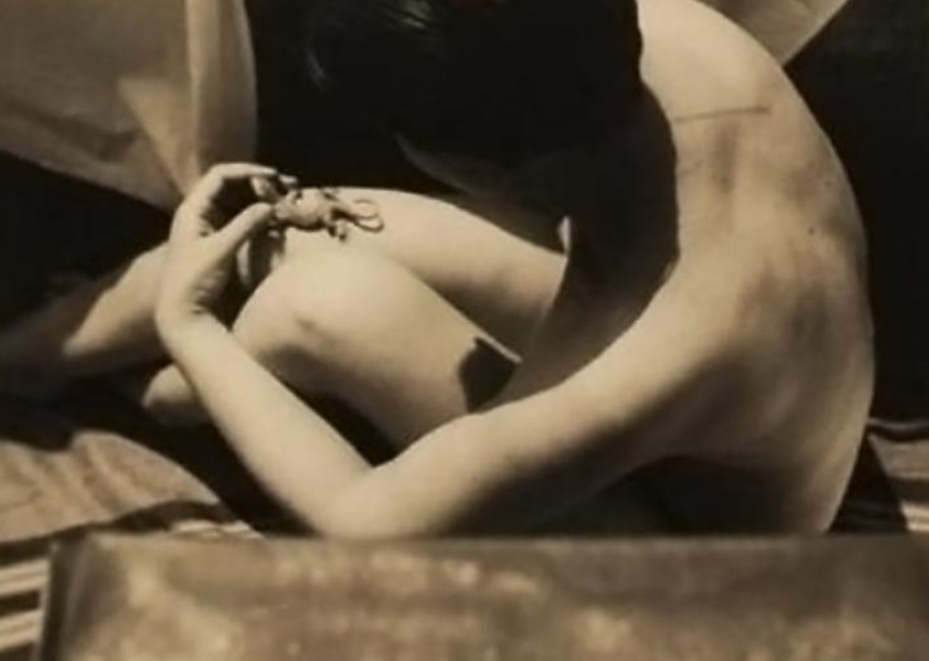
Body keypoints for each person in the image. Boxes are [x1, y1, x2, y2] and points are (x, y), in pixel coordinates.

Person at [1, 0, 873, 536]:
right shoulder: (664, 33)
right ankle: (30, 356)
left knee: (312, 304)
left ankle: (170, 382)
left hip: (703, 561)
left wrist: (190, 329)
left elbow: (365, 521)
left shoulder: (657, 356)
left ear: (489, 172)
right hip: (710, 359)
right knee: (298, 223)